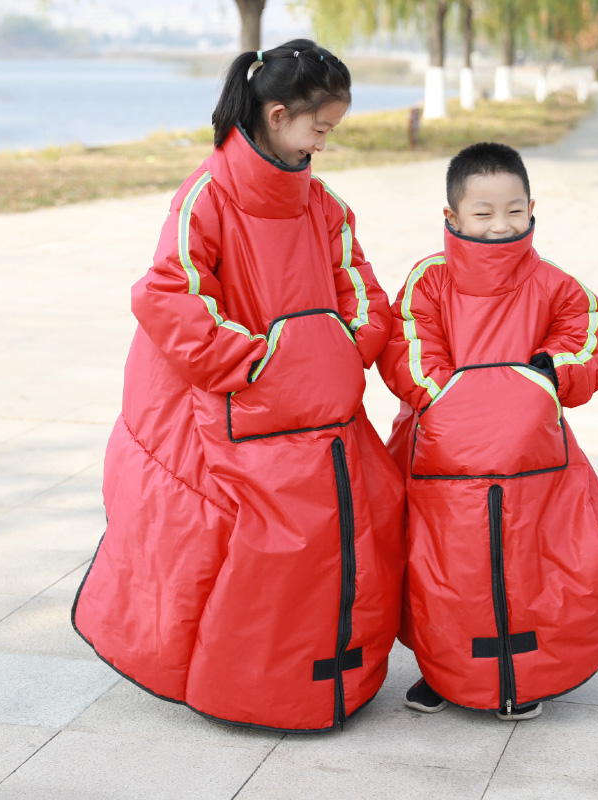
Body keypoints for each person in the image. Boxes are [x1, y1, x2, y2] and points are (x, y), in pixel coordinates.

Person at [72, 39, 405, 733]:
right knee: (244, 545)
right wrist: (259, 365)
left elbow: (366, 297)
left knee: (347, 524)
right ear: (278, 114)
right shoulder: (207, 196)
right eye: (319, 128)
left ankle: (324, 681)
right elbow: (171, 296)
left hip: (317, 408)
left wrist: (340, 355)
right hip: (231, 403)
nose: (324, 142)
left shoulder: (325, 208)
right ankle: (249, 688)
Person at [377, 142, 598, 721]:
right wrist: (456, 400)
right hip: (444, 458)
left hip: (530, 457)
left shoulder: (554, 284)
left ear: (532, 208)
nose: (499, 225)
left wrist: (544, 376)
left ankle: (526, 671)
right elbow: (408, 353)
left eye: (514, 210)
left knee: (529, 565)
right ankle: (442, 668)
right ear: (452, 217)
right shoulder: (429, 282)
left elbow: (585, 343)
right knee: (443, 570)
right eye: (482, 213)